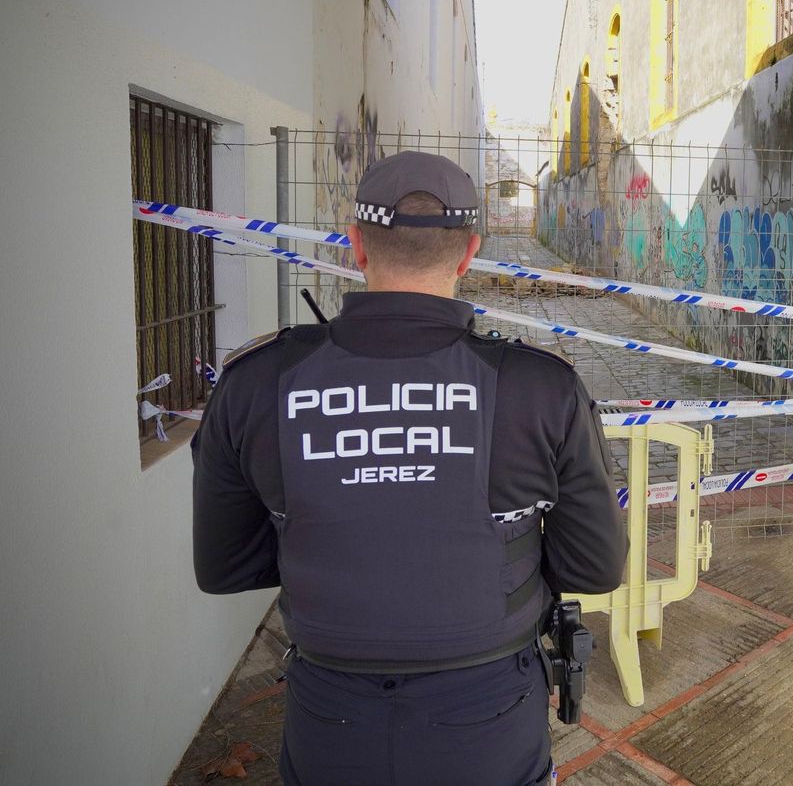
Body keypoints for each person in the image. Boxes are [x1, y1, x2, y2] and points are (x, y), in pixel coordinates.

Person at [192, 150, 627, 785]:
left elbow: (225, 567)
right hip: (489, 714)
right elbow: (594, 565)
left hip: (329, 713)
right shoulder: (542, 388)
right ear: (470, 251)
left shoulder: (258, 384)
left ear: (356, 248)